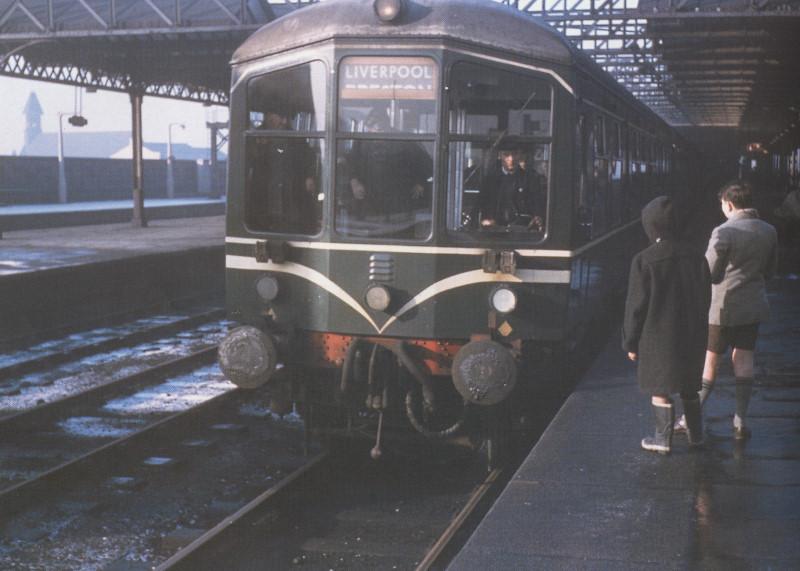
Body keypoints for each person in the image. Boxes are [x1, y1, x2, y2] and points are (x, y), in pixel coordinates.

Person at [676, 180, 778, 440]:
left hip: (721, 308)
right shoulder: (769, 231)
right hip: (752, 306)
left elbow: (707, 272)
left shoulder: (723, 232)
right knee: (744, 360)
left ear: (729, 204)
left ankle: (690, 418)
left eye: (722, 203)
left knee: (710, 362)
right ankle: (740, 422)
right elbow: (770, 271)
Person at [622, 196, 711, 454]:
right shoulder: (697, 257)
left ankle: (662, 440)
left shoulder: (644, 260)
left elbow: (635, 307)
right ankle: (696, 436)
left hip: (657, 337)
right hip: (692, 334)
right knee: (690, 387)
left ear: (650, 225)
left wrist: (630, 341)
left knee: (659, 387)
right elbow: (706, 296)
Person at [342, 108, 429, 223]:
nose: (377, 129)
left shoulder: (404, 140)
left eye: (381, 126)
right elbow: (350, 164)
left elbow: (427, 162)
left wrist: (420, 183)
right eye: (373, 126)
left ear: (388, 126)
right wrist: (354, 182)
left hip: (399, 202)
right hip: (369, 203)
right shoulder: (360, 142)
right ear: (368, 128)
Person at [249, 107, 319, 233]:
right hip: (265, 192)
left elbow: (309, 156)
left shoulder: (295, 137)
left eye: (284, 118)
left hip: (291, 191)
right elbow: (249, 158)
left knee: (290, 221)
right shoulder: (254, 136)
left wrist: (309, 176)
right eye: (279, 117)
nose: (283, 122)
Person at [479, 148, 539, 230]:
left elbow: (537, 206)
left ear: (520, 155)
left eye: (515, 154)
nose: (511, 159)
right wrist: (485, 220)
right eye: (506, 154)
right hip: (493, 231)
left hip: (523, 231)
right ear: (500, 155)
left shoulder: (531, 179)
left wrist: (537, 218)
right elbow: (481, 206)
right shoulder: (489, 180)